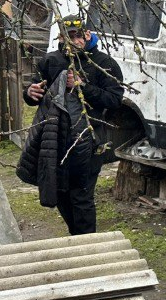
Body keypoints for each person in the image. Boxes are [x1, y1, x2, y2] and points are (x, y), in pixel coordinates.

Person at [16, 18, 124, 235]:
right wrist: (30, 93)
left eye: (78, 35)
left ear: (87, 34)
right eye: (69, 36)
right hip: (56, 140)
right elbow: (36, 93)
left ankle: (87, 246)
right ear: (61, 37)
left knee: (81, 196)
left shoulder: (103, 64)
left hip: (90, 140)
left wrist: (82, 86)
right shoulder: (51, 61)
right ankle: (77, 237)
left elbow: (115, 100)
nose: (75, 40)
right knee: (60, 192)